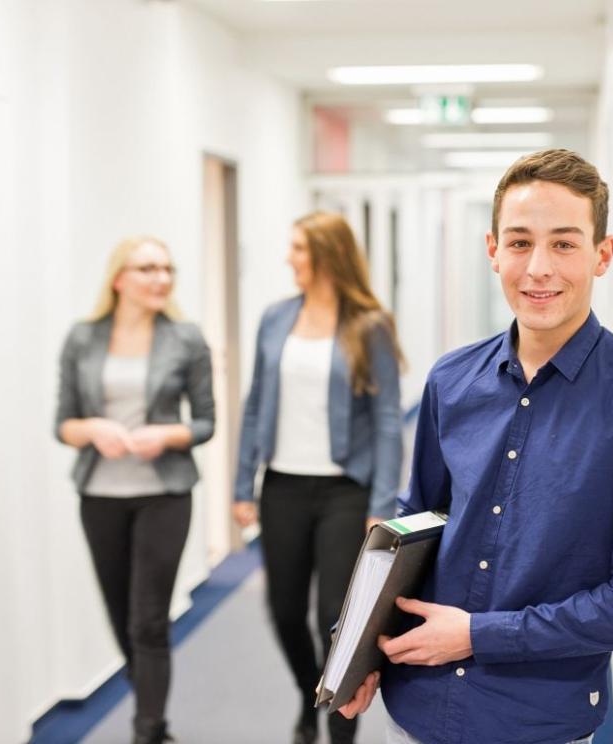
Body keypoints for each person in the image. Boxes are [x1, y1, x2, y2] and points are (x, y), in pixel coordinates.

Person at [338, 149, 613, 744]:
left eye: (565, 244)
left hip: (537, 720)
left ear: (603, 255)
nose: (539, 268)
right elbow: (415, 527)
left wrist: (478, 634)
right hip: (417, 704)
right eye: (520, 242)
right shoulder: (450, 380)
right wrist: (362, 652)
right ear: (493, 250)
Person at [232, 211, 404, 744]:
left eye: (299, 250)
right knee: (283, 611)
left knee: (333, 616)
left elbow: (387, 420)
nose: (290, 259)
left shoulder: (368, 324)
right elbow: (257, 402)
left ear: (328, 255)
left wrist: (381, 501)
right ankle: (312, 692)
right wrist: (242, 485)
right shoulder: (275, 317)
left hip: (343, 492)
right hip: (281, 484)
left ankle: (338, 729)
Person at [54, 236, 215, 744]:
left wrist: (164, 434)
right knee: (121, 616)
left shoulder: (186, 339)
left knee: (148, 619)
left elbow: (205, 421)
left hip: (164, 493)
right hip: (99, 495)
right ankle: (148, 696)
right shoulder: (83, 338)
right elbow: (63, 423)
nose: (160, 278)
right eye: (147, 268)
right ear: (119, 278)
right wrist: (95, 430)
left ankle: (148, 729)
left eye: (167, 268)